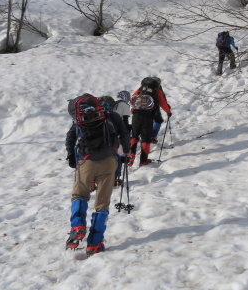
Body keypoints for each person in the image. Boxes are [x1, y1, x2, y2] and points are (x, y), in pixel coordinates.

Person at [65, 94, 129, 255]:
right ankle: (94, 243)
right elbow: (124, 134)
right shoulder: (111, 116)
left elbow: (70, 138)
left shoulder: (80, 119)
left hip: (86, 161)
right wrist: (126, 152)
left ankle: (77, 226)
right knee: (102, 203)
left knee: (79, 194)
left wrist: (72, 158)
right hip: (109, 160)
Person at [128, 77, 172, 167]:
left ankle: (131, 155)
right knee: (145, 138)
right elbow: (163, 103)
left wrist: (133, 110)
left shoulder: (140, 89)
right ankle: (143, 160)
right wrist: (168, 112)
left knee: (134, 136)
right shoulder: (157, 91)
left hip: (136, 115)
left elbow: (132, 98)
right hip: (147, 117)